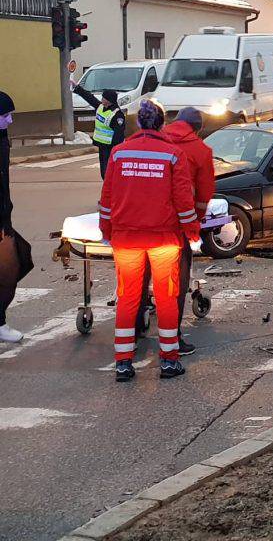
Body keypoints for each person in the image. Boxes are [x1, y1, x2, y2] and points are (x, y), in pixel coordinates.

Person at [99, 99, 199, 382]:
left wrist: (107, 230)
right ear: (162, 123)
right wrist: (191, 232)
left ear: (139, 123)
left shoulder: (118, 154)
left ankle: (123, 362)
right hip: (163, 240)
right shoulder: (173, 155)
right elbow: (184, 202)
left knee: (128, 298)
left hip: (126, 239)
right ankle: (168, 360)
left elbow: (107, 198)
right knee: (167, 297)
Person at [136, 107, 215, 355]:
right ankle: (174, 338)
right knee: (175, 284)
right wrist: (194, 223)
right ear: (197, 128)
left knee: (138, 276)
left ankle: (136, 327)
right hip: (173, 227)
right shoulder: (201, 151)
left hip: (137, 221)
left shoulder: (152, 139)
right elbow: (202, 196)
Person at [0, 90, 23, 343]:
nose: (9, 121)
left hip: (4, 216)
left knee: (18, 261)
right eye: (5, 115)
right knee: (10, 266)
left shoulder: (3, 140)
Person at [72, 83, 126, 178]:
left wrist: (115, 149)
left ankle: (110, 189)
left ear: (109, 100)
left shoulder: (117, 115)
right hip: (102, 146)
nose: (102, 100)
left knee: (108, 172)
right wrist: (77, 88)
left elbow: (119, 135)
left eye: (103, 98)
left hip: (111, 148)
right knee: (104, 171)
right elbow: (89, 97)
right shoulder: (101, 107)